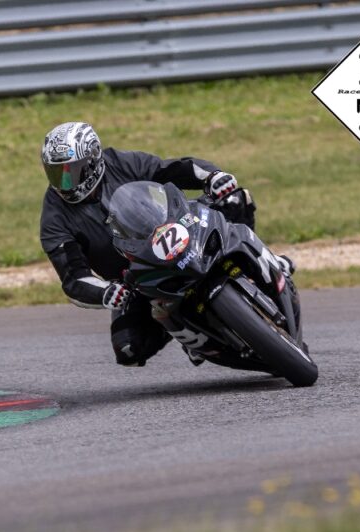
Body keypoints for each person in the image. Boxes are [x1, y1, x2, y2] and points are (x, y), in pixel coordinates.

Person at [39, 121, 264, 367]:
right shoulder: (53, 218)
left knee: (234, 199)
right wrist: (106, 292)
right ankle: (185, 331)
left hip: (176, 232)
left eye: (70, 171)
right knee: (128, 350)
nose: (63, 182)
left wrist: (212, 176)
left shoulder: (120, 162)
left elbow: (170, 169)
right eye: (55, 173)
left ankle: (258, 263)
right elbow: (74, 278)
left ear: (92, 160)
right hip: (138, 280)